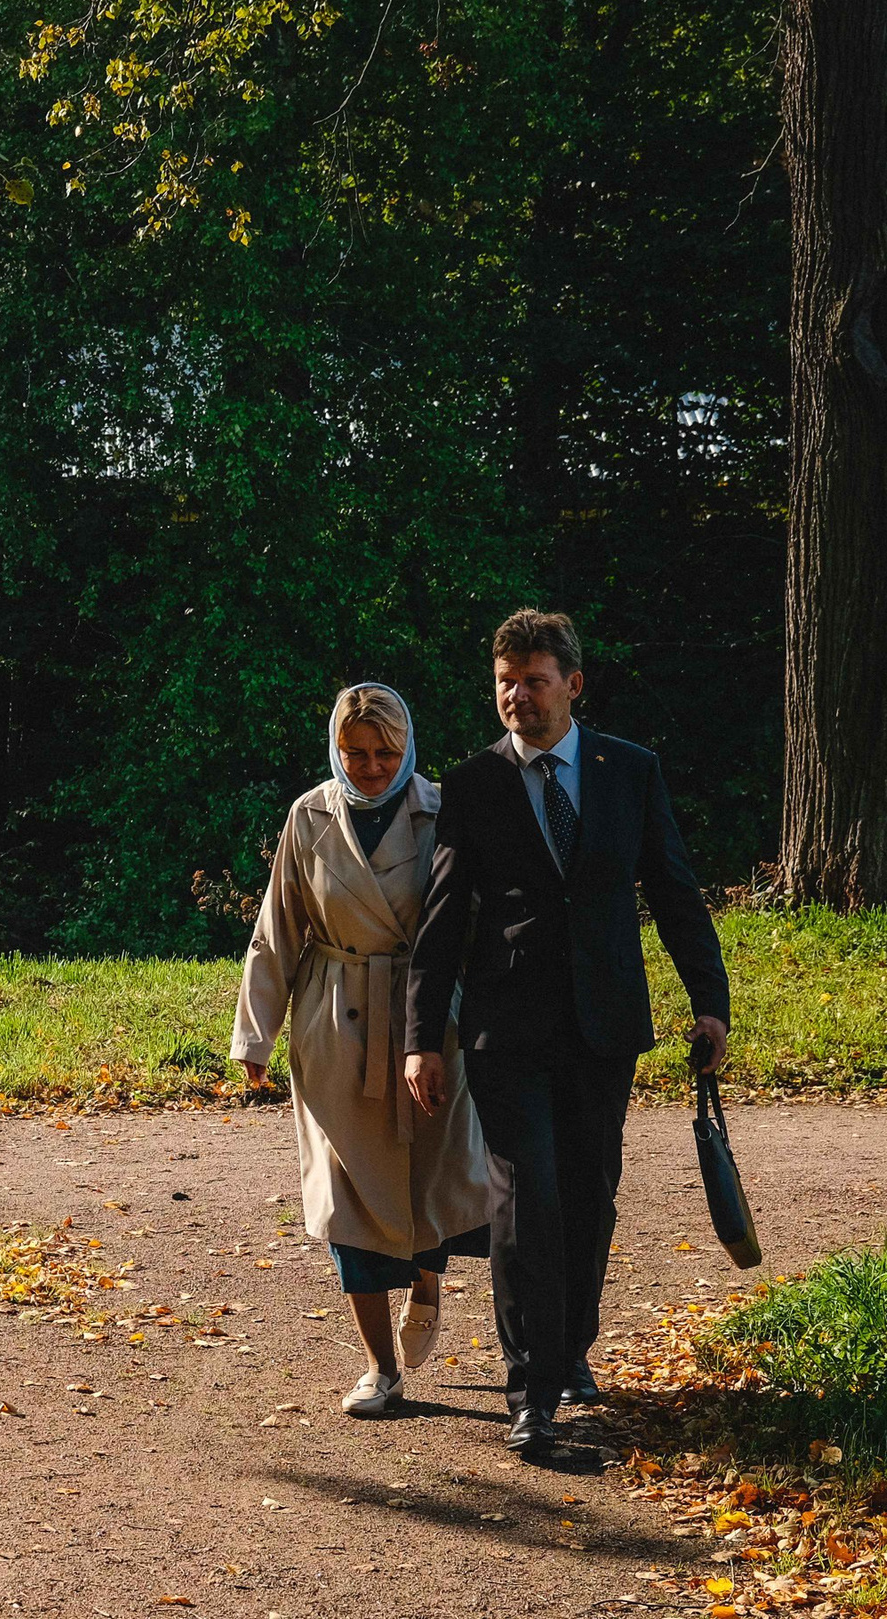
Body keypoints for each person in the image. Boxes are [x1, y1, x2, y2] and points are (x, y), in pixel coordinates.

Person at [402, 610, 730, 1457]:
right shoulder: (473, 785)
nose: (517, 696)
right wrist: (419, 1037)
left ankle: (571, 1346)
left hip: (604, 1023)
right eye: (505, 681)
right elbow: (441, 921)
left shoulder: (631, 771)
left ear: (573, 685)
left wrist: (710, 999)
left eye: (534, 680)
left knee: (589, 1192)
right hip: (505, 1030)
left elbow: (674, 890)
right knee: (524, 1197)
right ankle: (531, 1389)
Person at [232, 683, 493, 1418]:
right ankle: (380, 1366)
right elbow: (276, 927)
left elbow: (480, 921)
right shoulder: (308, 816)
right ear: (335, 749)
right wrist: (256, 1032)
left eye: (387, 751)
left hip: (429, 1018)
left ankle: (428, 1277)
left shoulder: (443, 811)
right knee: (346, 1198)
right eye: (356, 752)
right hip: (335, 1022)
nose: (373, 766)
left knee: (436, 1177)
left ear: (409, 746)